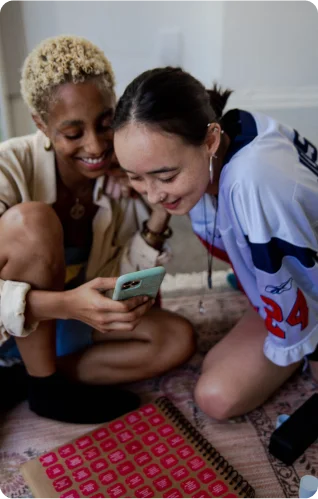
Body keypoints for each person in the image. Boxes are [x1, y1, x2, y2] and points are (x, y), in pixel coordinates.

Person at [0, 41, 194, 424]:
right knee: (32, 223)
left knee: (177, 339)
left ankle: (24, 380)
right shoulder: (9, 166)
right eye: (73, 133)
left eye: (106, 124)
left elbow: (116, 281)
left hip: (69, 329)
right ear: (41, 124)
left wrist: (155, 212)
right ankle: (45, 387)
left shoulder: (126, 172)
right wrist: (66, 304)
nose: (96, 146)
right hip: (9, 329)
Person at [113, 66, 318, 420]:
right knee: (214, 365)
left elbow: (296, 283)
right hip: (287, 276)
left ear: (209, 140)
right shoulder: (227, 130)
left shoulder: (253, 182)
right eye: (136, 178)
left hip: (307, 290)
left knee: (216, 397)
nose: (154, 194)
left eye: (165, 176)